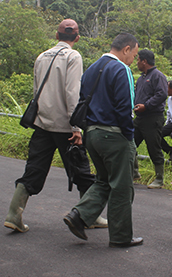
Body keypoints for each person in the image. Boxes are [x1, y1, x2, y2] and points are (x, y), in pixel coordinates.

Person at [4, 19, 106, 233]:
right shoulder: (73, 56)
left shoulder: (42, 56)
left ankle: (14, 214)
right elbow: (72, 93)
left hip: (42, 123)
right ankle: (91, 215)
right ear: (77, 38)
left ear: (57, 36)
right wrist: (76, 127)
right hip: (65, 126)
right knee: (82, 171)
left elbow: (35, 91)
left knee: (34, 168)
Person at [63, 33, 143, 248]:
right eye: (134, 55)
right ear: (126, 49)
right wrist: (129, 136)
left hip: (93, 134)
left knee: (104, 181)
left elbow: (82, 100)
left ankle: (78, 216)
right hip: (114, 135)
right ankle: (121, 237)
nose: (133, 61)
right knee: (122, 187)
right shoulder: (121, 69)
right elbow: (125, 108)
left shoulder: (91, 69)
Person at [133, 49, 169, 189]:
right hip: (139, 118)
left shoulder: (157, 76)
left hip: (152, 117)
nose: (137, 63)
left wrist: (146, 106)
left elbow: (162, 94)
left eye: (138, 60)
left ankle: (159, 178)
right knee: (129, 143)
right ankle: (134, 172)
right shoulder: (142, 77)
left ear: (144, 61)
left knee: (153, 147)